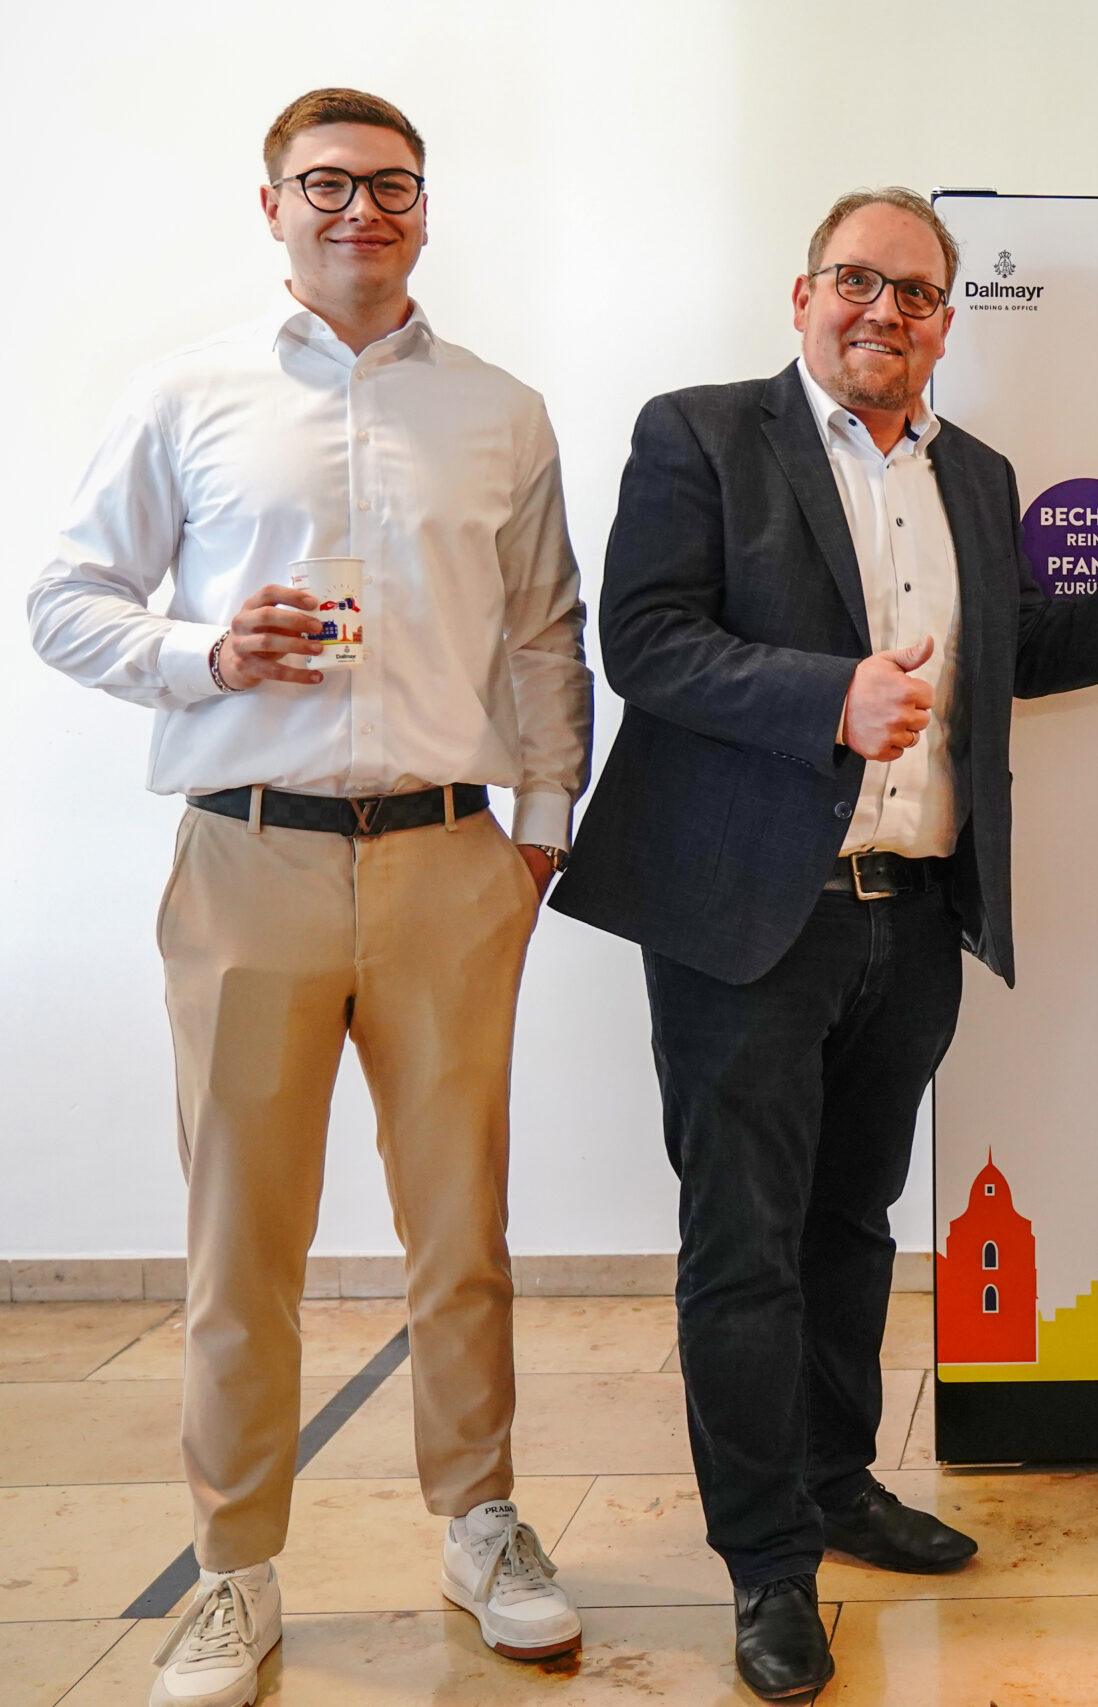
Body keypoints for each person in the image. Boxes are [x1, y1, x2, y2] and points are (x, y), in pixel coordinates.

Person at [548, 186, 1098, 1700]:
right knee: (740, 1250)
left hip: (911, 917)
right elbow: (648, 638)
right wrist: (830, 698)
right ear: (802, 295)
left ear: (947, 319)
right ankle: (766, 1564)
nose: (884, 313)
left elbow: (1020, 653)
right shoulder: (700, 434)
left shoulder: (976, 469)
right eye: (857, 284)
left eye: (916, 293)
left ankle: (837, 1480)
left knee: (855, 1226)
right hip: (747, 922)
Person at [26, 88, 592, 1706]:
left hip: (447, 861)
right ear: (269, 203)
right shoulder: (187, 395)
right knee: (238, 1237)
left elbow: (549, 637)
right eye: (327, 184)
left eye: (391, 184)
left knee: (461, 1228)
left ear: (427, 205)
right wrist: (205, 654)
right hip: (244, 854)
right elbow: (63, 602)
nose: (363, 209)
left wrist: (536, 834)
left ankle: (479, 1522)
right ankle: (233, 1571)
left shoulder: (501, 409)